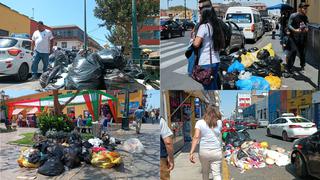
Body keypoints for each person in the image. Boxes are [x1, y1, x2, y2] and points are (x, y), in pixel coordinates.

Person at [192, 6, 225, 90]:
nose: (200, 15)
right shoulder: (216, 26)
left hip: (206, 62)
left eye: (200, 14)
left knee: (207, 86)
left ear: (205, 15)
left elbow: (196, 44)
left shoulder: (204, 27)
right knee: (213, 84)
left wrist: (193, 38)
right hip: (216, 61)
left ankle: (210, 103)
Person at [189, 105, 223, 180]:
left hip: (204, 151)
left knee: (205, 172)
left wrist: (191, 152)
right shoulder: (219, 122)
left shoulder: (199, 122)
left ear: (206, 112)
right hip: (216, 151)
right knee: (216, 174)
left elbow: (196, 137)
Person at [286, 2, 309, 75]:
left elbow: (307, 25)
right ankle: (289, 68)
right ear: (300, 8)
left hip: (302, 38)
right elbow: (289, 25)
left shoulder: (305, 17)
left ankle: (302, 65)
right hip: (293, 38)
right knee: (293, 52)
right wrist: (294, 30)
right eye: (304, 8)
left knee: (302, 53)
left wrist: (306, 29)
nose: (306, 10)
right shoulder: (293, 15)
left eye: (306, 8)